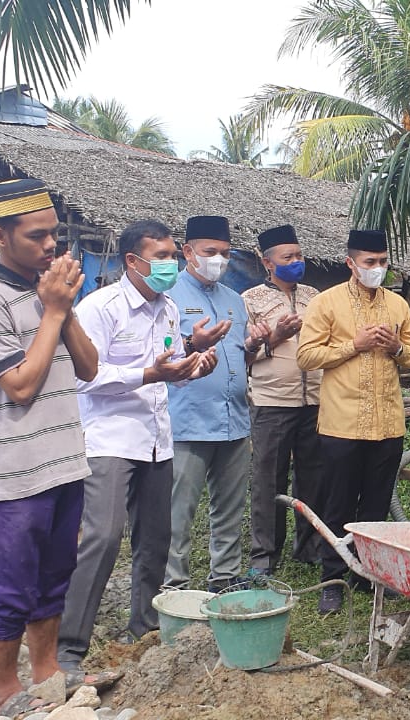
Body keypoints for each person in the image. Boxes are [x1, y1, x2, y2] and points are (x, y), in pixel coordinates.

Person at [0, 178, 99, 716]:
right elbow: (19, 387)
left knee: (53, 578)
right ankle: (4, 689)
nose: (51, 247)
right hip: (17, 474)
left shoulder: (51, 296)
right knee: (10, 589)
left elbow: (87, 368)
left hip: (66, 462)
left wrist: (62, 310)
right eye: (38, 237)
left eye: (54, 236)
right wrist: (54, 313)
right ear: (0, 236)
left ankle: (46, 672)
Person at [58, 219, 218, 670]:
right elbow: (83, 379)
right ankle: (69, 647)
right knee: (104, 537)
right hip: (110, 439)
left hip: (156, 440)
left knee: (155, 541)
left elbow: (166, 372)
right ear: (133, 261)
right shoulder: (100, 308)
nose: (171, 264)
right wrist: (150, 374)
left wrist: (192, 367)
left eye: (173, 255)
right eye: (162, 257)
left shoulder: (168, 308)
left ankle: (144, 628)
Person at [296, 229, 410, 614]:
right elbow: (306, 356)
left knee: (376, 505)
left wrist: (395, 347)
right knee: (338, 504)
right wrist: (355, 345)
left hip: (388, 424)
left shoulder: (398, 305)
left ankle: (367, 576)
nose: (377, 268)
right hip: (341, 424)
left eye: (383, 261)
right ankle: (333, 580)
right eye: (370, 262)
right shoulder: (327, 303)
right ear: (351, 263)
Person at [164, 215, 263, 593]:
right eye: (210, 252)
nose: (219, 260)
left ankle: (224, 577)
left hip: (234, 420)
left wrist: (252, 348)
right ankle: (174, 586)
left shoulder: (234, 300)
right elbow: (157, 355)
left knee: (229, 508)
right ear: (188, 252)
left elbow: (242, 358)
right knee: (178, 511)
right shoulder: (169, 296)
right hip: (186, 419)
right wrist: (192, 346)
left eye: (224, 253)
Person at [242, 224, 324, 579]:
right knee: (267, 480)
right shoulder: (249, 301)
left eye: (299, 255)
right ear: (268, 263)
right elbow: (243, 357)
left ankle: (309, 546)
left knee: (313, 476)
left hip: (315, 401)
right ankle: (264, 555)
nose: (296, 261)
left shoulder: (314, 297)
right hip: (272, 401)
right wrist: (274, 336)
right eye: (287, 257)